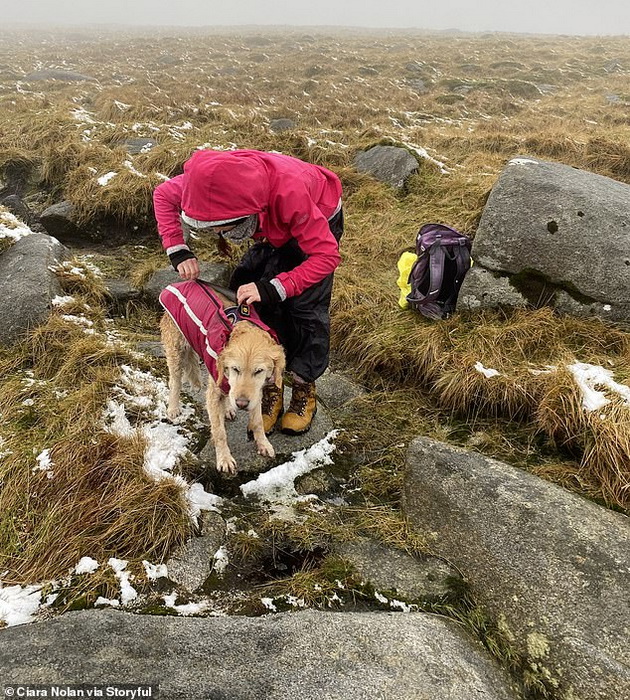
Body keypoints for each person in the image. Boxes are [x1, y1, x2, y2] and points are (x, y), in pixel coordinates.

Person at [153, 149, 343, 435]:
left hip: (317, 215)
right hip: (269, 219)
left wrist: (274, 287)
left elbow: (326, 257)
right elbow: (163, 195)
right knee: (249, 291)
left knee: (305, 308)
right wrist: (178, 249)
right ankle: (269, 386)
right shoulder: (204, 185)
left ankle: (304, 388)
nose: (220, 235)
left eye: (223, 229)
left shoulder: (290, 195)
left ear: (245, 217)